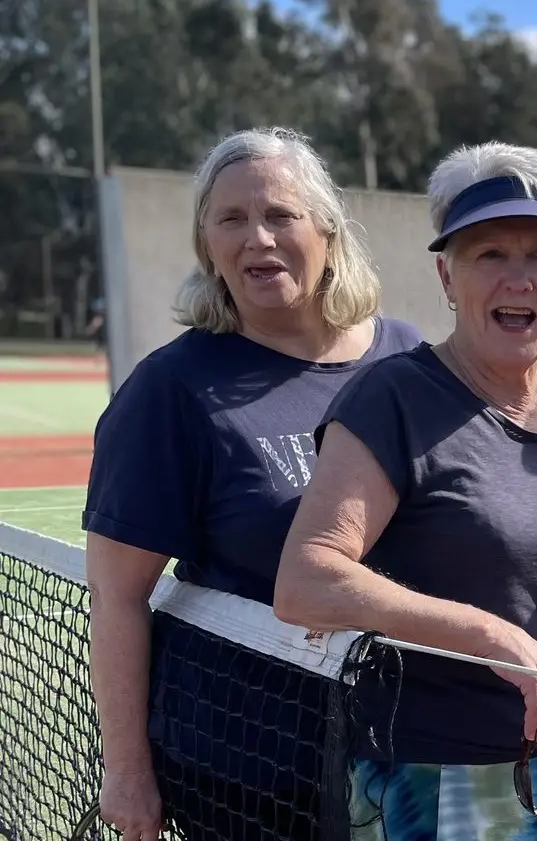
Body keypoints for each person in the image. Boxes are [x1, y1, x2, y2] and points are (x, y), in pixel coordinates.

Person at [273, 141, 537, 841]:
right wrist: (492, 636)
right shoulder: (393, 397)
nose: (518, 278)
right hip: (434, 781)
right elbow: (305, 581)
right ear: (447, 276)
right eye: (489, 254)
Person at [83, 127, 422, 841]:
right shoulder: (171, 390)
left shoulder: (409, 361)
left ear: (327, 230)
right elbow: (117, 593)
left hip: (413, 757)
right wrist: (127, 768)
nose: (257, 238)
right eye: (230, 220)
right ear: (206, 245)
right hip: (249, 775)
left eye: (280, 215)